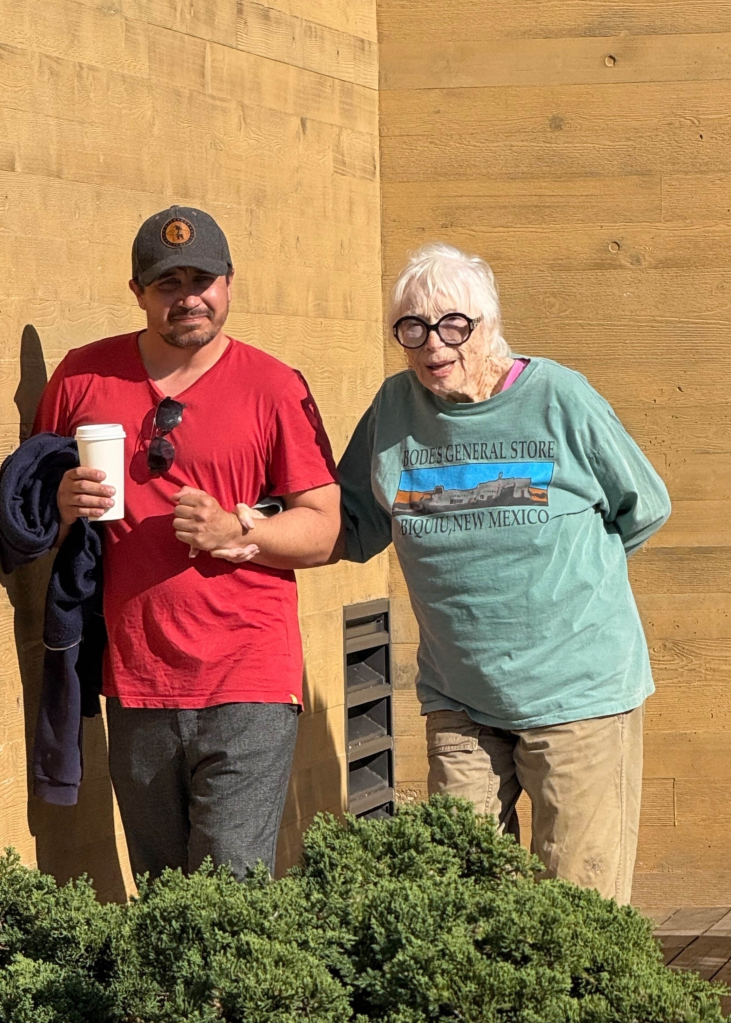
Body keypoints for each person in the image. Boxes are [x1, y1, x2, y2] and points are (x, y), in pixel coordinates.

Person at [334, 242, 671, 904]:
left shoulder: (558, 397)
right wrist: (249, 526)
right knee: (460, 903)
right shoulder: (393, 409)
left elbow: (644, 506)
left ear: (488, 325)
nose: (433, 344)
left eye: (451, 325)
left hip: (577, 698)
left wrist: (565, 587)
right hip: (459, 700)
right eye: (412, 328)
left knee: (577, 911)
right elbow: (349, 521)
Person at [34, 205, 340, 881]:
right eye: (167, 283)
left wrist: (242, 532)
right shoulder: (83, 377)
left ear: (229, 283)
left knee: (229, 884)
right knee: (162, 889)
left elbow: (322, 525)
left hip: (248, 676)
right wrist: (58, 505)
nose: (188, 297)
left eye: (203, 279)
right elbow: (29, 512)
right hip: (136, 679)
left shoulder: (273, 385)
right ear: (138, 292)